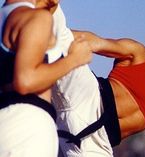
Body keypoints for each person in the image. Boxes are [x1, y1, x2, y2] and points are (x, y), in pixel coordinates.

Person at [52, 7, 145, 157]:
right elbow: (94, 42)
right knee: (57, 34)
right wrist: (59, 35)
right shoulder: (139, 53)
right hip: (87, 98)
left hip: (97, 143)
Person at [0, 0, 91, 156]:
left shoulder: (6, 17)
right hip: (29, 126)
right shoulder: (38, 18)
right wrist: (75, 59)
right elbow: (25, 81)